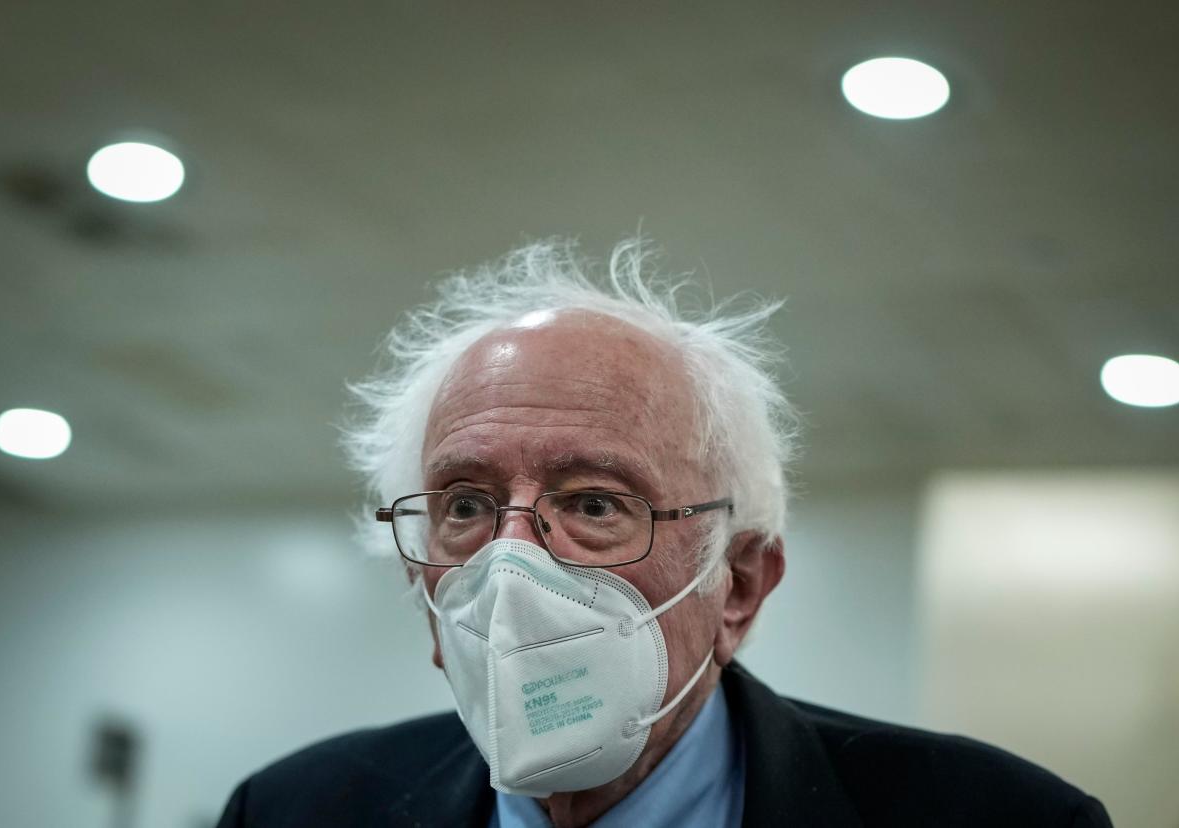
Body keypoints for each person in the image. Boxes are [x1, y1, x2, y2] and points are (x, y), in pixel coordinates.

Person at [216, 239, 1112, 827]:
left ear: (741, 585)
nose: (513, 560)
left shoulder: (1000, 818)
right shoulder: (293, 810)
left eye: (597, 504)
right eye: (464, 507)